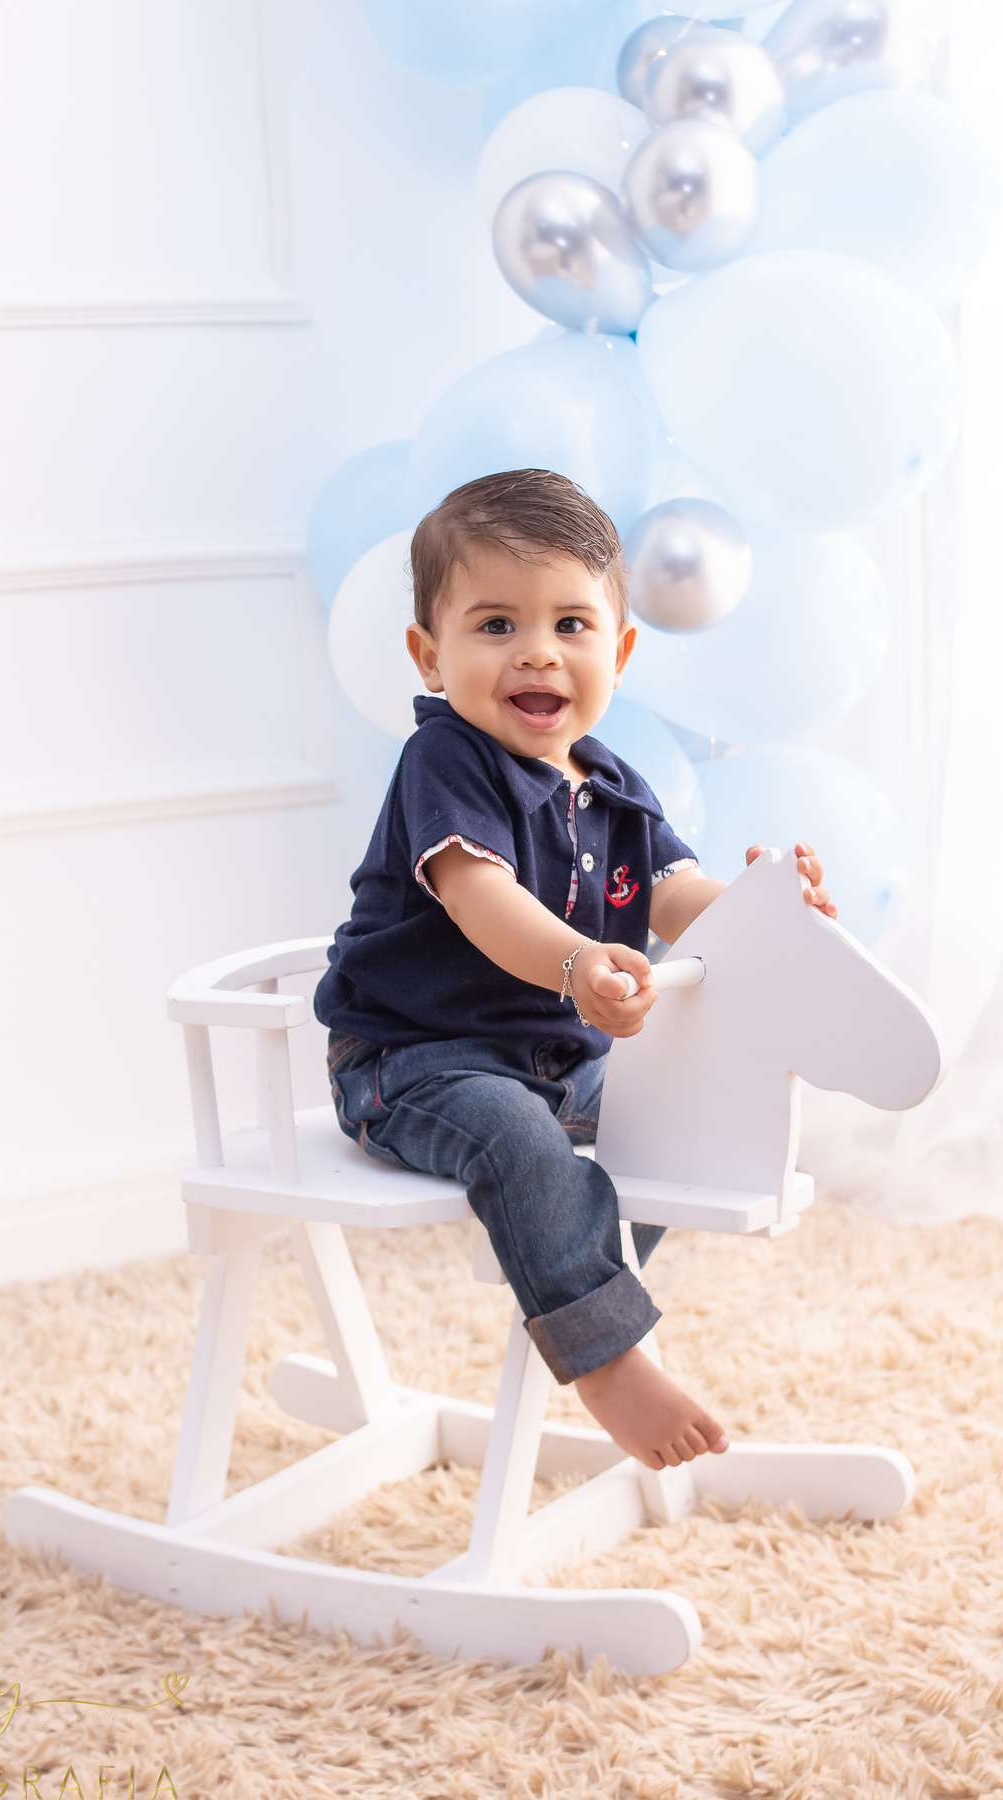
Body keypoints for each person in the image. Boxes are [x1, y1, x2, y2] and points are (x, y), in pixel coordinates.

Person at [314, 469, 837, 1471]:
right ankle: (605, 1361)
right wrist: (575, 961)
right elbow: (483, 899)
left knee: (672, 1117)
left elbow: (674, 897)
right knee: (516, 1137)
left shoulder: (612, 785)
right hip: (416, 1061)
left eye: (570, 625)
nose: (537, 652)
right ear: (430, 655)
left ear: (621, 651)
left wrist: (768, 909)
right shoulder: (446, 765)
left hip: (554, 1058)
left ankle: (569, 1282)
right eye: (497, 625)